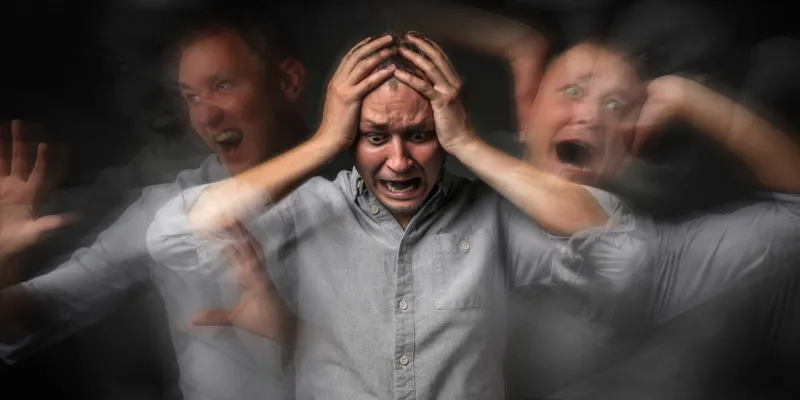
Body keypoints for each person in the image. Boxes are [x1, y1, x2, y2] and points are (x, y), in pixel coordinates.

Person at [146, 32, 644, 399]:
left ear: (446, 133)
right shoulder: (309, 209)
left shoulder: (495, 219)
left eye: (421, 136)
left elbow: (619, 248)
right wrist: (324, 142)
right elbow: (171, 235)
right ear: (351, 138)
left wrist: (469, 143)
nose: (399, 161)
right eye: (376, 136)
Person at [0, 9, 310, 400]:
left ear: (288, 81)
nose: (207, 114)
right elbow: (33, 316)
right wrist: (3, 262)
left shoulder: (374, 192)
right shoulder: (164, 213)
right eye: (192, 97)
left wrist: (296, 335)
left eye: (224, 85)